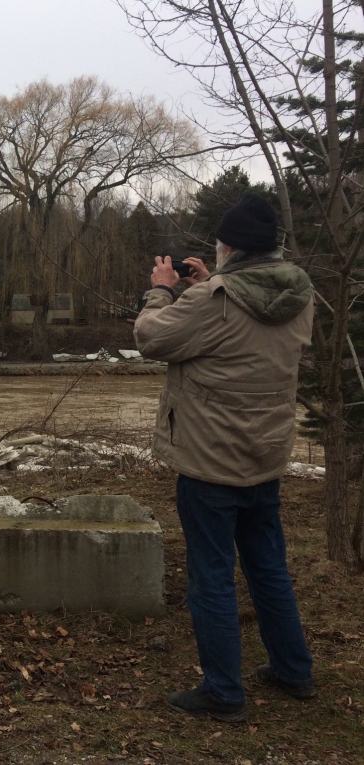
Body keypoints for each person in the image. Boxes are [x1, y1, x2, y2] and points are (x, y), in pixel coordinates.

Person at [134, 193, 315, 723]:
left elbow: (151, 338)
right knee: (268, 567)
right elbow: (247, 333)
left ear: (230, 246)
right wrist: (210, 284)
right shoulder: (298, 294)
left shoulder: (215, 300)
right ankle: (293, 670)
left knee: (211, 574)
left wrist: (163, 291)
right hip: (265, 454)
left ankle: (223, 692)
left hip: (211, 459)